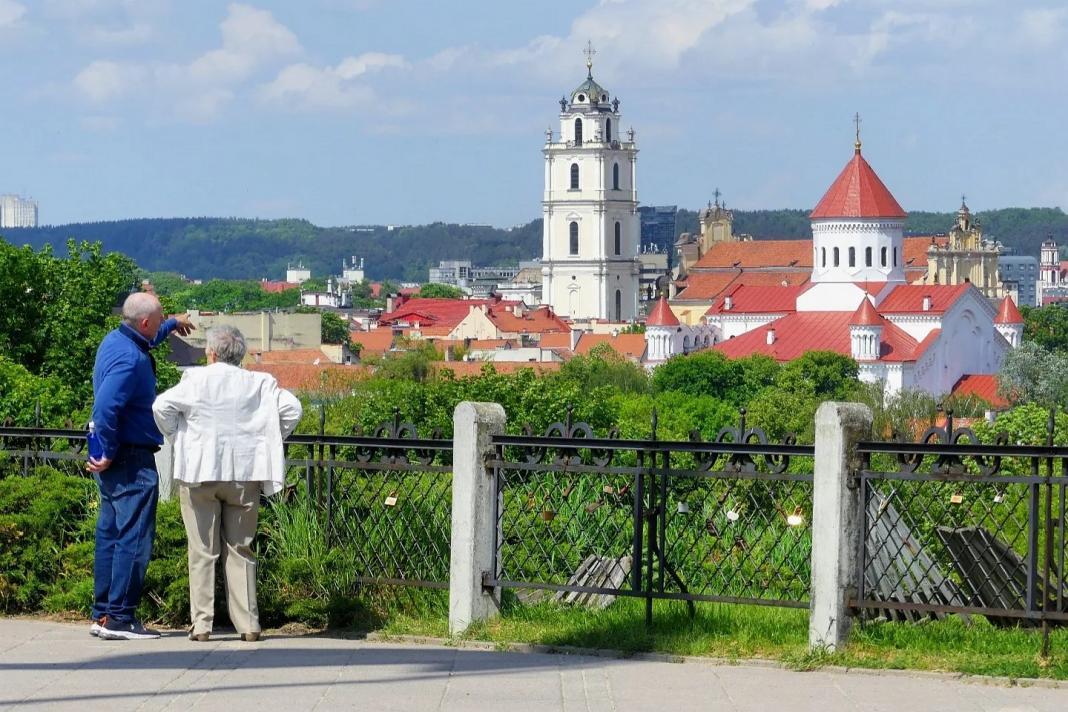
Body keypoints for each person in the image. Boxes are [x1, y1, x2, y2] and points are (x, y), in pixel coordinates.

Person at [152, 325, 302, 642]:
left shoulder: (195, 379)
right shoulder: (260, 383)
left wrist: (179, 438)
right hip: (244, 472)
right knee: (241, 549)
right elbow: (292, 408)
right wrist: (268, 439)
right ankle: (248, 624)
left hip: (200, 471)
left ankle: (203, 624)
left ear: (212, 352)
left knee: (203, 551)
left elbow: (160, 406)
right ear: (240, 354)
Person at [88, 292, 194, 641]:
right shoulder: (131, 360)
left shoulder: (116, 340)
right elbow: (106, 408)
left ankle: (103, 613)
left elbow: (147, 338)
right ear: (145, 322)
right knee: (134, 537)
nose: (164, 320)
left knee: (111, 533)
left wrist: (173, 324)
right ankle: (120, 618)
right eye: (160, 317)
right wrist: (107, 450)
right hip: (130, 458)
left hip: (116, 460)